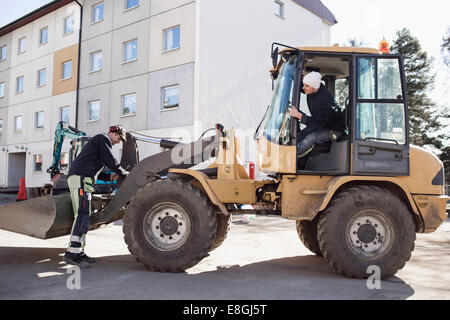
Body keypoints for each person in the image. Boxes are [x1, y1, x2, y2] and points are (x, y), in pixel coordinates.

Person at [64, 125, 129, 268]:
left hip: (83, 179)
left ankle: (79, 251)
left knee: (84, 216)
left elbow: (99, 169)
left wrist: (111, 175)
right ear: (113, 133)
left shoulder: (99, 144)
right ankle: (71, 254)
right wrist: (124, 173)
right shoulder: (102, 138)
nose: (118, 141)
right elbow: (111, 161)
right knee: (82, 215)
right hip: (81, 179)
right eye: (119, 138)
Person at [289, 71, 344, 157]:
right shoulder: (314, 88)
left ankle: (292, 156)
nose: (303, 88)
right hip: (322, 123)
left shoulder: (324, 101)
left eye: (306, 86)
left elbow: (318, 123)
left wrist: (299, 115)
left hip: (333, 130)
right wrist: (298, 75)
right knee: (301, 134)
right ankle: (289, 148)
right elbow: (302, 86)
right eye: (304, 84)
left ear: (314, 87)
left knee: (311, 138)